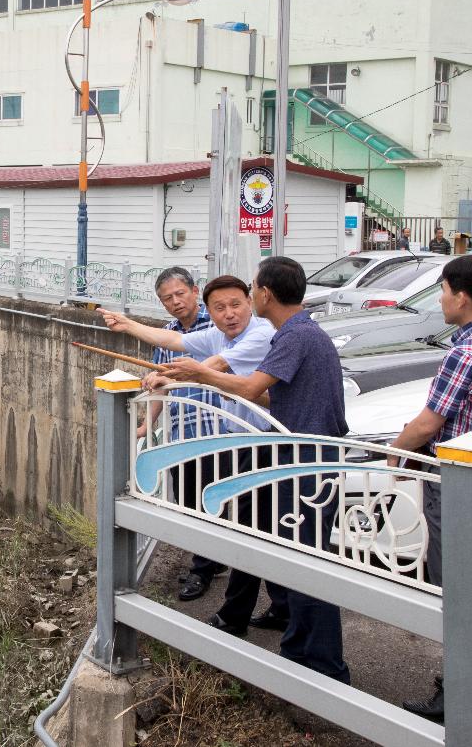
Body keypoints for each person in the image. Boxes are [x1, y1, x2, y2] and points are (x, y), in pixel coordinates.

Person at [160, 256, 351, 684]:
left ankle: (323, 667)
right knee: (290, 553)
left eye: (250, 289)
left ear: (264, 295)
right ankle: (300, 651)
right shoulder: (300, 333)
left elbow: (249, 388)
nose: (243, 300)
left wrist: (198, 374)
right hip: (300, 456)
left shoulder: (293, 335)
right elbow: (270, 400)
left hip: (306, 461)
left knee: (307, 563)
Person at [388, 254, 472, 720]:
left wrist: (395, 453)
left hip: (456, 486)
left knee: (455, 587)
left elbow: (427, 423)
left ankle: (457, 694)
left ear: (461, 297)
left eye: (443, 290)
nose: (441, 299)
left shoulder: (465, 351)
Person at [97, 274, 280, 604]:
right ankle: (253, 597)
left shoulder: (258, 333)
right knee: (209, 508)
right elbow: (170, 343)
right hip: (204, 435)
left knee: (254, 522)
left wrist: (169, 376)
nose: (228, 313)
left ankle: (226, 586)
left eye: (235, 305)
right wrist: (127, 325)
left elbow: (209, 367)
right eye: (220, 307)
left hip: (250, 438)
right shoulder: (217, 334)